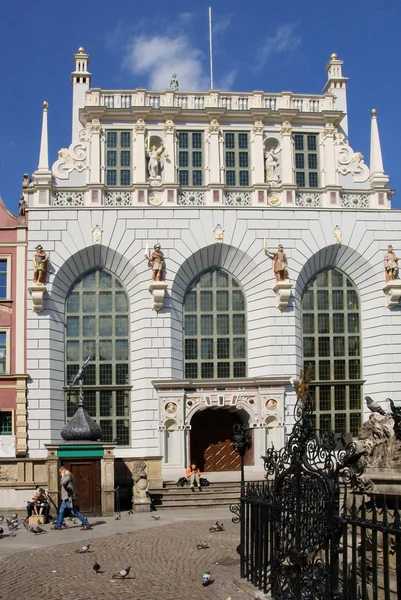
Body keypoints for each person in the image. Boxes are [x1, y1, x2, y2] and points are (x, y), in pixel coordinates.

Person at [51, 465, 91, 531]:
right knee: (61, 511)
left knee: (74, 511)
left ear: (63, 470)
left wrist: (63, 476)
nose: (60, 474)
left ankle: (86, 523)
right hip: (66, 497)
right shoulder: (69, 475)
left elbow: (62, 483)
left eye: (60, 472)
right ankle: (58, 525)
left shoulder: (68, 475)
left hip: (68, 497)